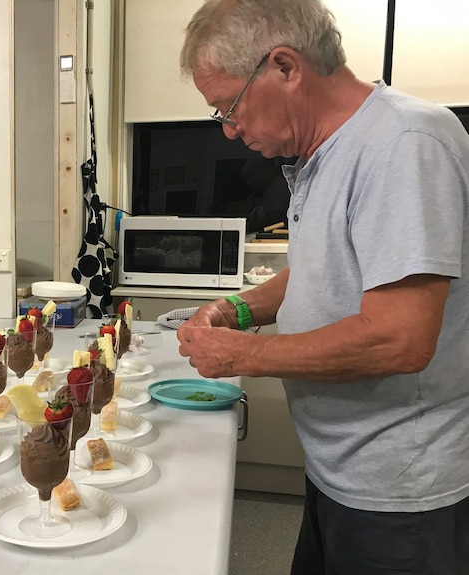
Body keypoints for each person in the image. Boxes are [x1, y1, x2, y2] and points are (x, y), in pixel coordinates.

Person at [175, 1, 469, 573]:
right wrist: (236, 310)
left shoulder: (403, 143)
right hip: (339, 466)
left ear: (285, 66)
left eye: (228, 108)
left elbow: (399, 339)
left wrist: (242, 354)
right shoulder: (323, 153)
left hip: (400, 489)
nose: (231, 131)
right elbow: (323, 269)